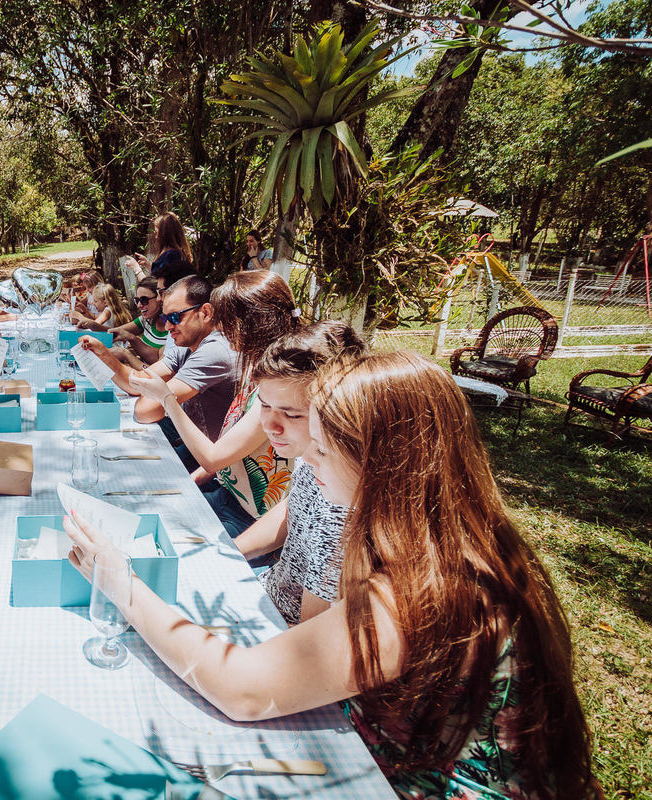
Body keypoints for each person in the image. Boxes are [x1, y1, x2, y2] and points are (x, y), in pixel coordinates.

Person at [63, 349, 596, 800]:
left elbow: (241, 690)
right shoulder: (437, 533)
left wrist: (120, 582)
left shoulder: (418, 590)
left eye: (320, 448)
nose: (307, 464)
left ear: (382, 460)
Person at [128, 271, 299, 540]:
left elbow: (214, 456)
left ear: (252, 324)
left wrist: (167, 399)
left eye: (226, 321)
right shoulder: (255, 368)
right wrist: (190, 482)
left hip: (252, 520)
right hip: (227, 494)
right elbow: (227, 456)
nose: (219, 329)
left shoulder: (281, 388)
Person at [230, 321, 365, 620]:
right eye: (265, 406)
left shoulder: (339, 506)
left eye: (291, 414)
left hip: (281, 626)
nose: (270, 426)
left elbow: (309, 638)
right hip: (265, 588)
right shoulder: (310, 453)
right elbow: (293, 509)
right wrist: (226, 554)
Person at [81, 274, 238, 443]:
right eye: (165, 318)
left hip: (207, 457)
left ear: (205, 313)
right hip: (187, 438)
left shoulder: (214, 350)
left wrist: (150, 392)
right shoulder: (188, 345)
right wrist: (103, 354)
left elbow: (145, 411)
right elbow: (137, 382)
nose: (169, 326)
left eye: (175, 317)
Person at [107, 277, 168, 367]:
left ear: (159, 298)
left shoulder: (174, 330)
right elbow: (113, 332)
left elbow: (156, 360)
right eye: (137, 300)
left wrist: (129, 346)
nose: (139, 305)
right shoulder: (146, 320)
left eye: (144, 300)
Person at [131, 212, 193, 280]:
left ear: (164, 235)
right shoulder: (179, 254)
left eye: (156, 233)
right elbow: (164, 273)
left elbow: (153, 287)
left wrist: (136, 268)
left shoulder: (169, 255)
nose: (155, 237)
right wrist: (148, 264)